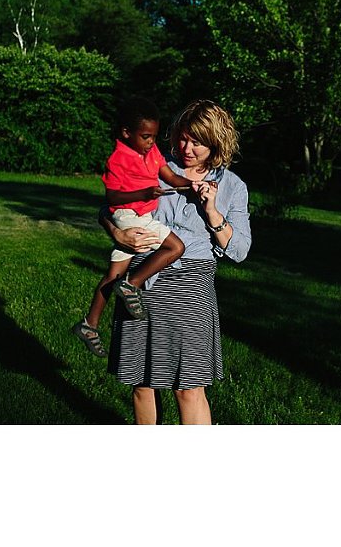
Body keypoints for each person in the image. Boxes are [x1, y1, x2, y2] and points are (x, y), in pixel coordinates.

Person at [101, 99, 251, 425]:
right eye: (183, 138)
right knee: (142, 381)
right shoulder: (152, 166)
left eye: (197, 142)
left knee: (189, 386)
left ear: (216, 143)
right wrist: (117, 232)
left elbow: (239, 250)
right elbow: (109, 206)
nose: (186, 148)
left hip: (190, 287)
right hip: (141, 281)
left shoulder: (232, 186)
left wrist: (213, 213)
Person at [72, 97, 194, 357]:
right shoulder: (118, 158)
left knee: (113, 275)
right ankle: (133, 284)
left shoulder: (151, 152)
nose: (151, 142)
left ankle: (89, 324)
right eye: (146, 137)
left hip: (137, 215)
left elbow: (171, 177)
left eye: (154, 137)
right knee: (176, 247)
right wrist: (143, 193)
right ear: (126, 132)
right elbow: (112, 197)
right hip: (130, 215)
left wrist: (192, 185)